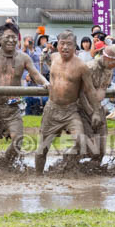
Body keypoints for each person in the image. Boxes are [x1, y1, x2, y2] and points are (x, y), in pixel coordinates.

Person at [0, 0, 47, 172]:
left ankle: (4, 166)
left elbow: (36, 74)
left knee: (18, 139)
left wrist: (45, 83)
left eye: (15, 38)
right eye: (7, 37)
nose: (11, 40)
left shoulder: (23, 58)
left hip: (12, 106)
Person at [35, 30, 97, 174]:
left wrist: (96, 113)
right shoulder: (54, 58)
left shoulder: (81, 66)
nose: (65, 47)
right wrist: (44, 81)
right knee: (42, 148)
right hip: (52, 109)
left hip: (70, 111)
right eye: (62, 44)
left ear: (75, 47)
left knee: (81, 141)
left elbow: (90, 90)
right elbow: (41, 68)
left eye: (69, 44)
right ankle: (37, 177)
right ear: (58, 45)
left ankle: (66, 162)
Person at [80, 43, 115, 166]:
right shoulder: (90, 68)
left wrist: (98, 110)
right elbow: (81, 94)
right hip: (83, 109)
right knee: (90, 146)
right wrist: (91, 112)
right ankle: (69, 162)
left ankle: (94, 170)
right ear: (108, 58)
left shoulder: (109, 70)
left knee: (101, 148)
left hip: (98, 108)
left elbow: (102, 90)